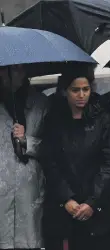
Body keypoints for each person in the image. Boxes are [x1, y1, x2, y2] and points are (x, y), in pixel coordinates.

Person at [39, 66, 110, 250]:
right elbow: (49, 162)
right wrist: (67, 199)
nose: (81, 95)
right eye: (75, 90)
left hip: (95, 208)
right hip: (62, 207)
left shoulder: (103, 119)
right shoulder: (54, 120)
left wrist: (91, 201)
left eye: (86, 89)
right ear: (65, 91)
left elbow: (108, 163)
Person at [0, 65, 47, 250]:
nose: (5, 74)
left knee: (28, 241)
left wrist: (27, 141)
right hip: (2, 189)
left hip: (29, 189)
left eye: (16, 69)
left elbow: (53, 147)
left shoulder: (41, 104)